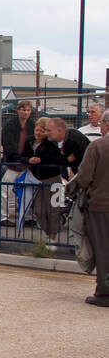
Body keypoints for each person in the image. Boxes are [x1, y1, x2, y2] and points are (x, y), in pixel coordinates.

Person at [68, 111, 109, 305]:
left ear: (107, 124)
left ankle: (104, 292)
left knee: (103, 249)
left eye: (101, 123)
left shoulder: (98, 146)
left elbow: (84, 177)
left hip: (101, 206)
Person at [27, 117, 65, 245]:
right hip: (37, 179)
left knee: (53, 208)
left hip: (52, 178)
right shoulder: (30, 141)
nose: (38, 133)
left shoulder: (52, 143)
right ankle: (48, 233)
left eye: (43, 131)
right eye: (37, 130)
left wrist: (40, 159)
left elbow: (55, 158)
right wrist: (28, 160)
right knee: (39, 210)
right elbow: (22, 155)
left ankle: (53, 238)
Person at [1, 100, 36, 226]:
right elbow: (8, 143)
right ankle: (3, 216)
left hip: (27, 164)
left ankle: (27, 216)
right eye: (23, 110)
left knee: (28, 190)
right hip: (13, 162)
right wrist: (18, 157)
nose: (26, 112)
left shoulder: (32, 125)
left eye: (28, 110)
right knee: (5, 190)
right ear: (18, 110)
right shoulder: (10, 125)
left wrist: (28, 159)